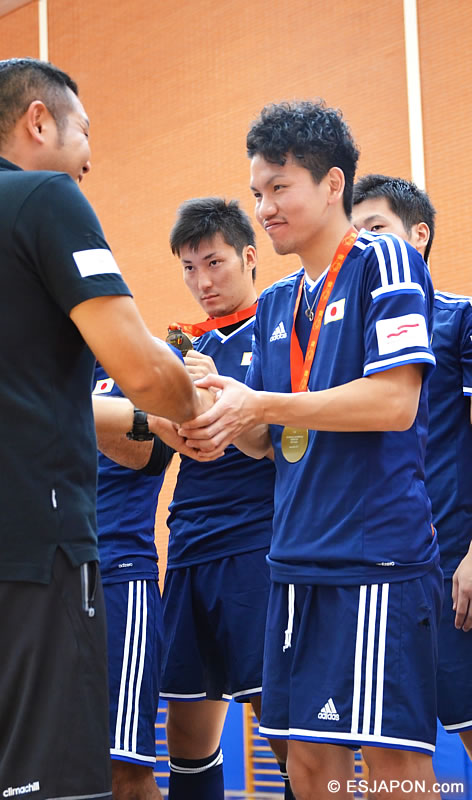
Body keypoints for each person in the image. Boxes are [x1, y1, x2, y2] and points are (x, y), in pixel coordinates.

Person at [0, 58, 210, 800]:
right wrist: (200, 406)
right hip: (26, 559)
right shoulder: (44, 197)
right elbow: (145, 372)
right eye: (85, 132)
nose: (90, 156)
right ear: (38, 120)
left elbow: (8, 390)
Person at [180, 102, 443, 800]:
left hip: (374, 559)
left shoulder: (384, 260)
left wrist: (263, 405)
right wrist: (216, 410)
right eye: (256, 192)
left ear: (332, 185)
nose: (264, 208)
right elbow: (270, 442)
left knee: (394, 770)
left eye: (279, 187)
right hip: (292, 563)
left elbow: (394, 403)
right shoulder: (276, 303)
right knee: (306, 766)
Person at [153, 197, 294, 800]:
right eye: (189, 268)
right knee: (185, 737)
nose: (202, 281)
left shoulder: (282, 326)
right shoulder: (180, 350)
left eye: (214, 263)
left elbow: (286, 442)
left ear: (249, 256)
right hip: (188, 542)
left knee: (283, 728)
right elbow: (160, 440)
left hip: (257, 543)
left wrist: (224, 400)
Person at [352, 174, 472, 758]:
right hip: (382, 573)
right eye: (355, 235)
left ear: (418, 235)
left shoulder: (459, 319)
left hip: (456, 569)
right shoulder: (350, 338)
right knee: (391, 754)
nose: (364, 246)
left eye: (376, 229)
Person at [92, 360, 177, 800]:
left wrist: (55, 405)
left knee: (123, 774)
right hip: (38, 585)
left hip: (117, 578)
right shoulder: (31, 362)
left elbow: (154, 454)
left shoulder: (144, 360)